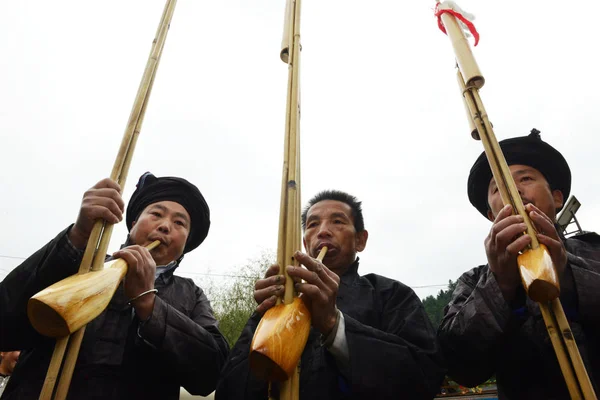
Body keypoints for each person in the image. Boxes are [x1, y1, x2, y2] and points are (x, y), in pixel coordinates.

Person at [0, 172, 229, 400]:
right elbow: (6, 323)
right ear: (132, 224)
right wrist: (78, 235)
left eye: (179, 223)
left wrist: (149, 304)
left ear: (186, 243)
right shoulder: (82, 263)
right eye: (156, 214)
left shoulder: (191, 295)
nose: (165, 226)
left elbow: (210, 375)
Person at [216, 190, 445, 399]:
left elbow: (424, 378)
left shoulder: (390, 295)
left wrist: (333, 325)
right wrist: (264, 319)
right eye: (313, 224)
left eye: (337, 221)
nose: (323, 231)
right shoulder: (281, 303)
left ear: (360, 240)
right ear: (305, 243)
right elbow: (228, 392)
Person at [439, 130, 600, 399]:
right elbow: (461, 366)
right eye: (497, 188)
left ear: (557, 198)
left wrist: (566, 272)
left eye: (525, 178)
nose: (514, 191)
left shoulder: (594, 251)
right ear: (492, 214)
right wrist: (500, 285)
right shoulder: (473, 282)